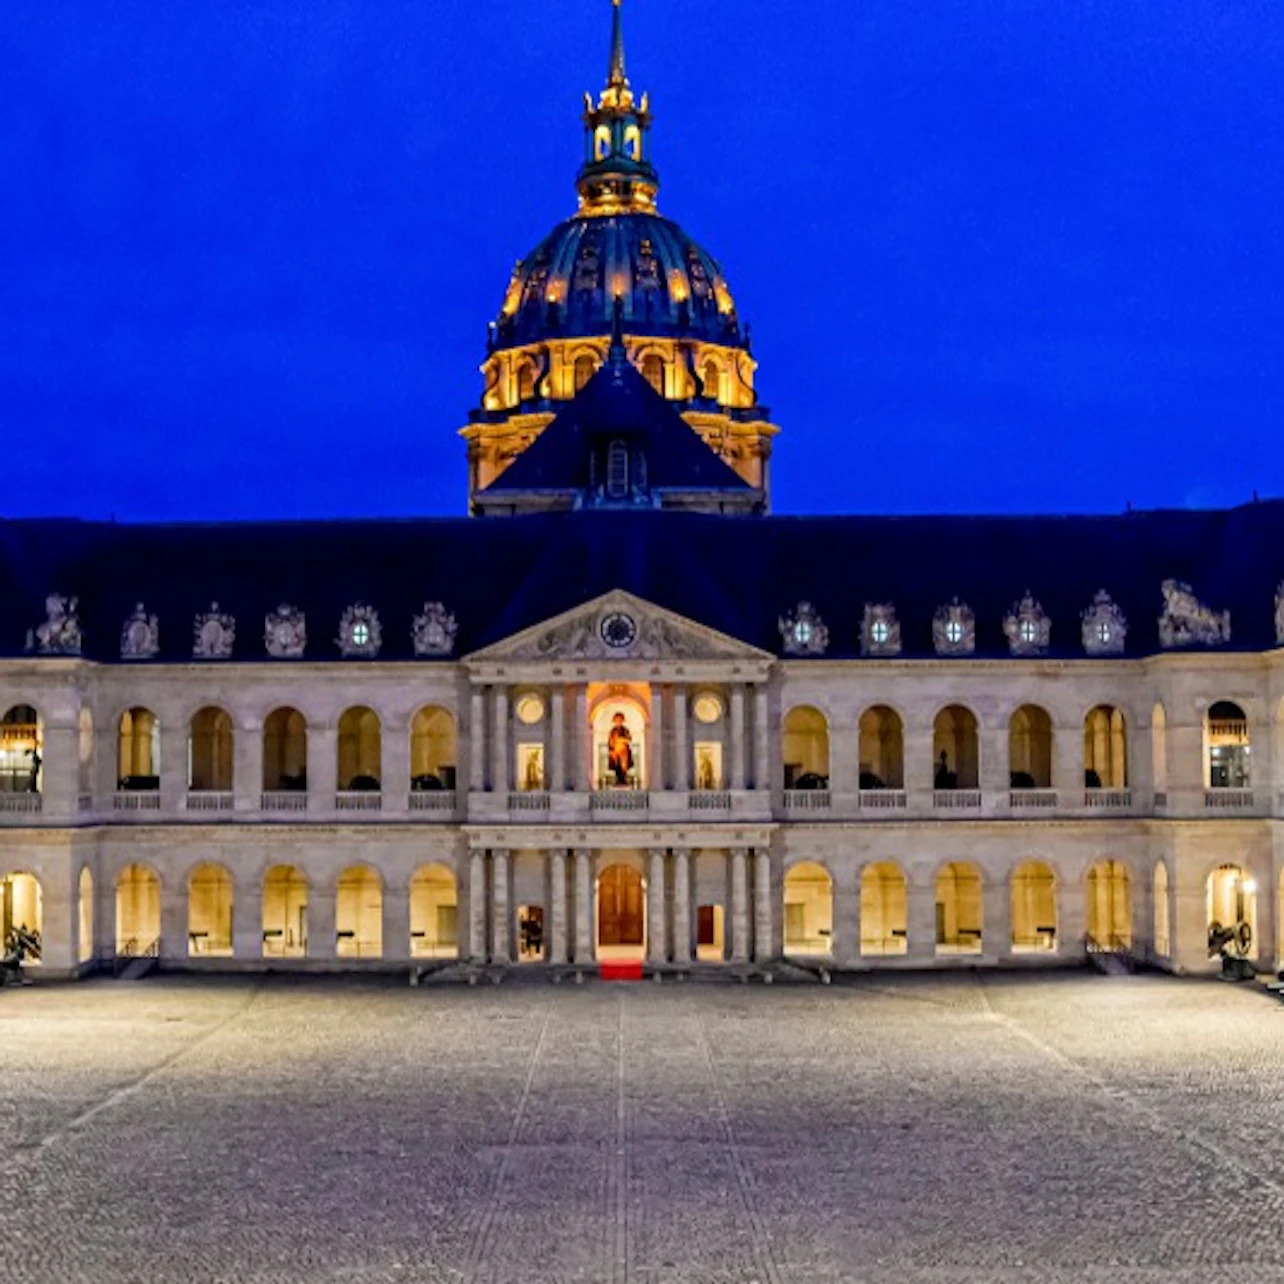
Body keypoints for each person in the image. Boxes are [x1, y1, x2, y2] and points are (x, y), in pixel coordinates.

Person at [607, 712, 633, 786]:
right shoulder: (613, 731)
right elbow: (610, 741)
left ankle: (623, 779)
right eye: (617, 720)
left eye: (620, 719)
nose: (618, 721)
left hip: (624, 751)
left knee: (624, 766)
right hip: (615, 751)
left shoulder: (625, 730)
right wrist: (611, 750)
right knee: (616, 766)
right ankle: (618, 779)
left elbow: (629, 739)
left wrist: (620, 739)